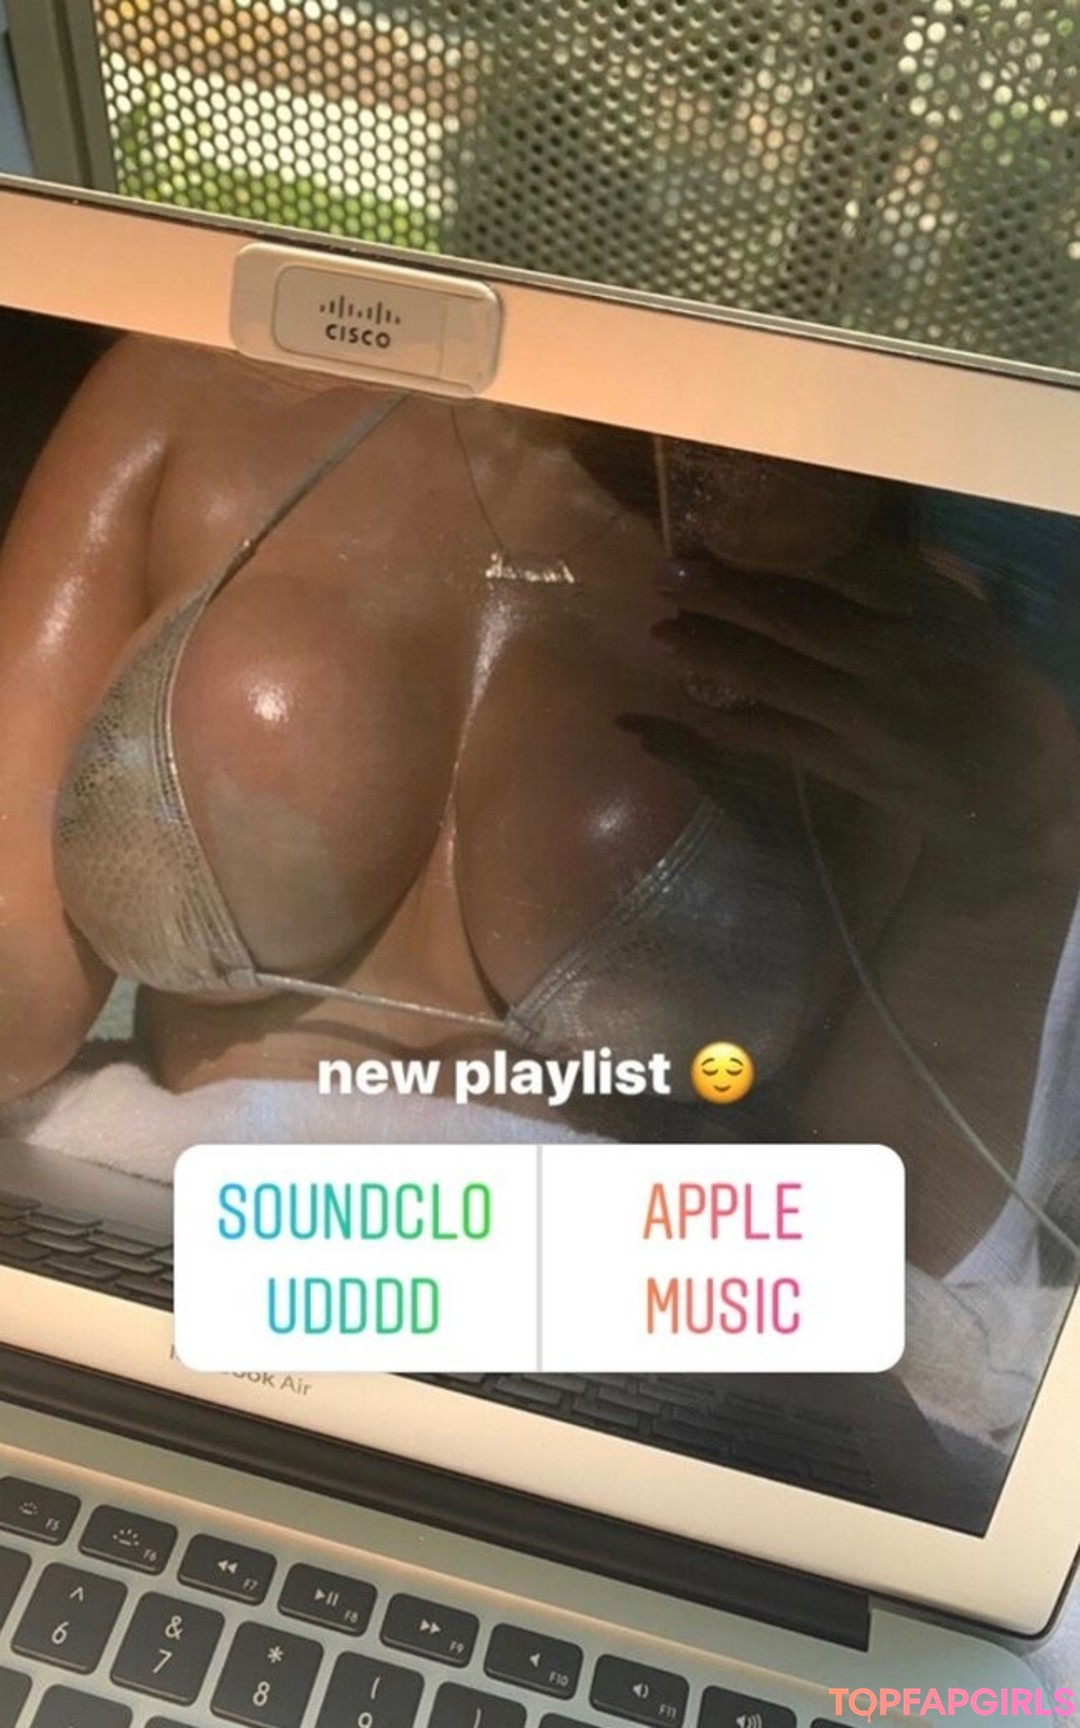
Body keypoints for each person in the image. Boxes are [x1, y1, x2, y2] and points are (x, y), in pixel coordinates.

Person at [0, 333, 1076, 1285]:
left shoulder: (897, 630)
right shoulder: (199, 389)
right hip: (156, 1272)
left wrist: (1029, 837)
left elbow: (901, 1248)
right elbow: (17, 1006)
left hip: (605, 1350)